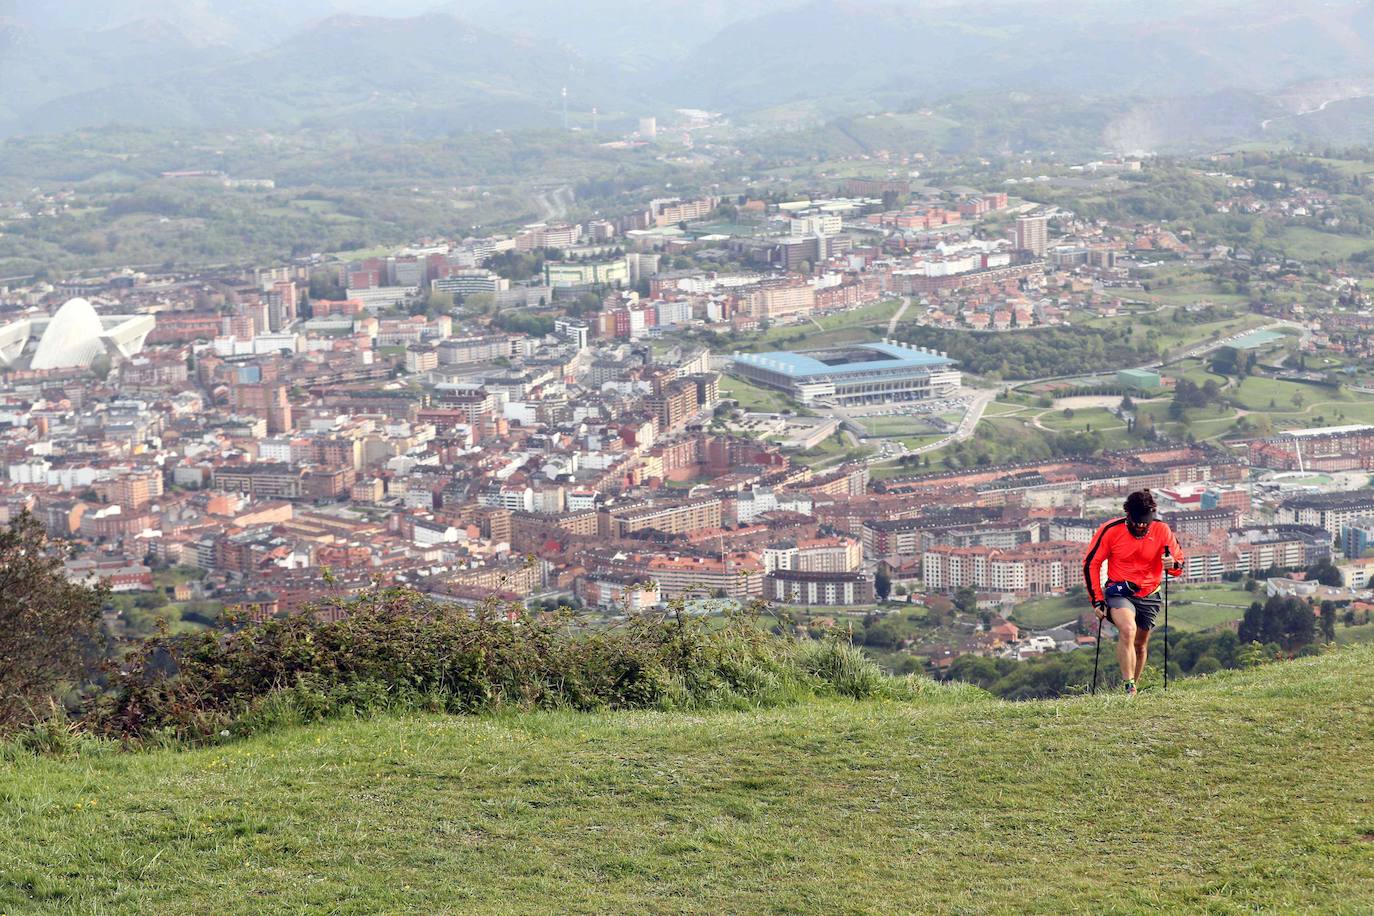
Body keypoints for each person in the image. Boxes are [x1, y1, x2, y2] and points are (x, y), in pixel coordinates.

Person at [1083, 489, 1184, 697]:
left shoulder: (1162, 530)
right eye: (1136, 521)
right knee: (1128, 629)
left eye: (1144, 522)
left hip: (1150, 593)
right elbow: (1091, 563)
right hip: (1120, 591)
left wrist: (1171, 564)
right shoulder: (1111, 530)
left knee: (1140, 644)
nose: (1140, 526)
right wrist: (1097, 600)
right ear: (1127, 515)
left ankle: (1132, 692)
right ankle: (1129, 685)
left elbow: (1178, 567)